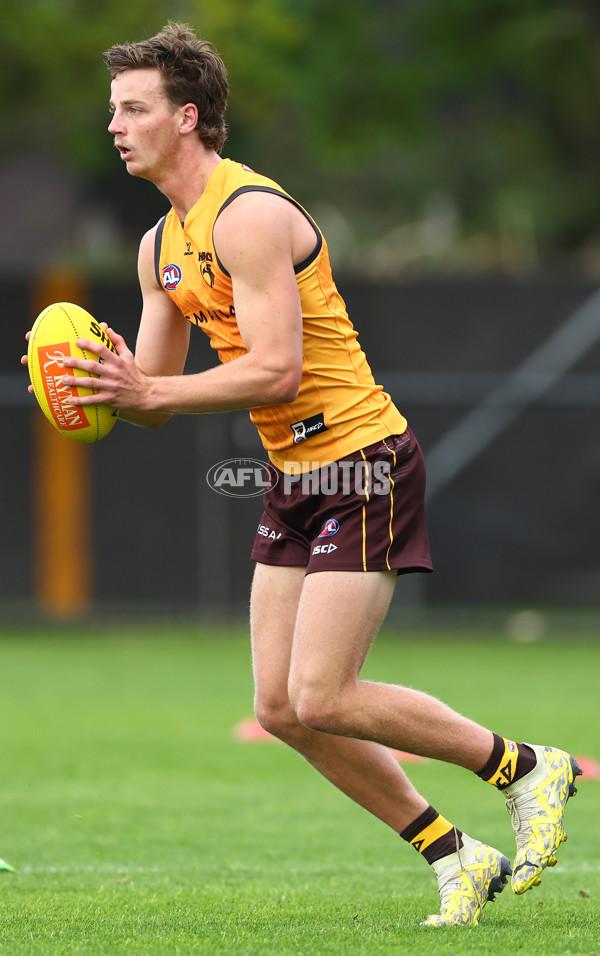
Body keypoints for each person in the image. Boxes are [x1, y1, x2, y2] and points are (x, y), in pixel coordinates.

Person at [23, 22, 581, 927]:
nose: (116, 125)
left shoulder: (248, 216)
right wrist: (97, 382)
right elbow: (156, 401)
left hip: (364, 462)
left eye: (135, 109)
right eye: (114, 109)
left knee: (324, 692)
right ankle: (456, 852)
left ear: (189, 117)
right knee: (282, 709)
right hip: (295, 472)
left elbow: (277, 369)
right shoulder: (159, 246)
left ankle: (524, 767)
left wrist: (147, 383)